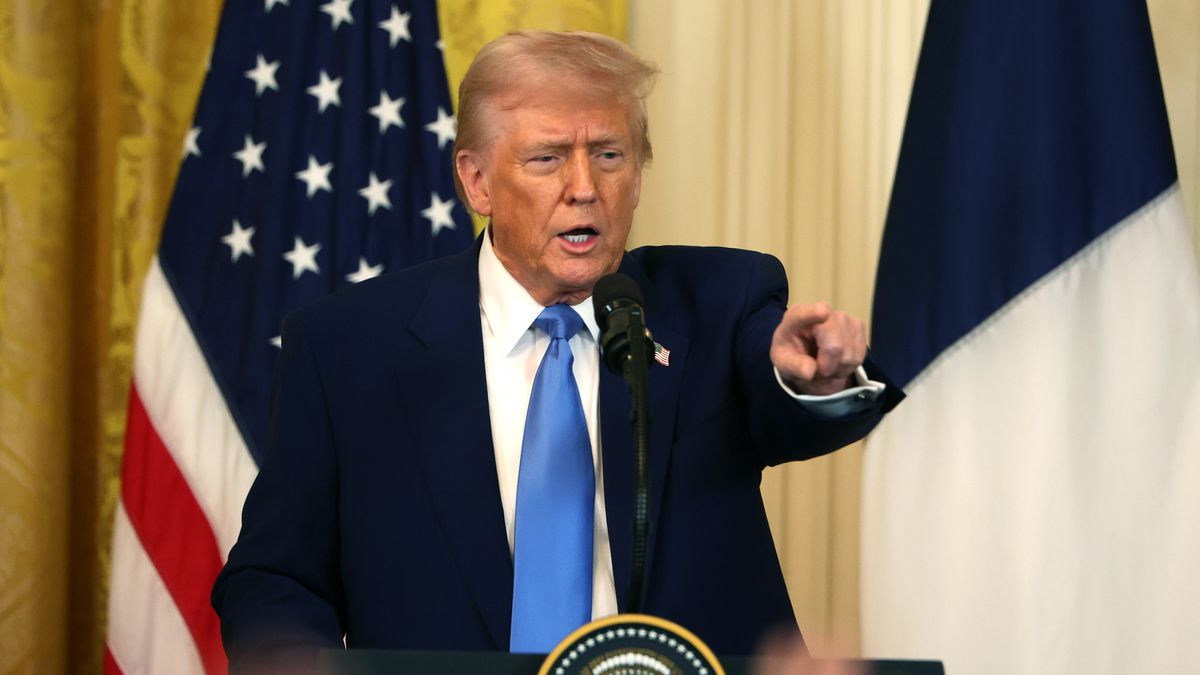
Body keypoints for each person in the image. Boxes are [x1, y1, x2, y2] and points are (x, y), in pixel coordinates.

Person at [212, 30, 903, 671]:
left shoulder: (719, 303)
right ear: (477, 181)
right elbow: (275, 575)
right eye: (547, 158)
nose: (584, 188)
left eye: (609, 154)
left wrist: (809, 377)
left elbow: (782, 386)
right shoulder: (347, 348)